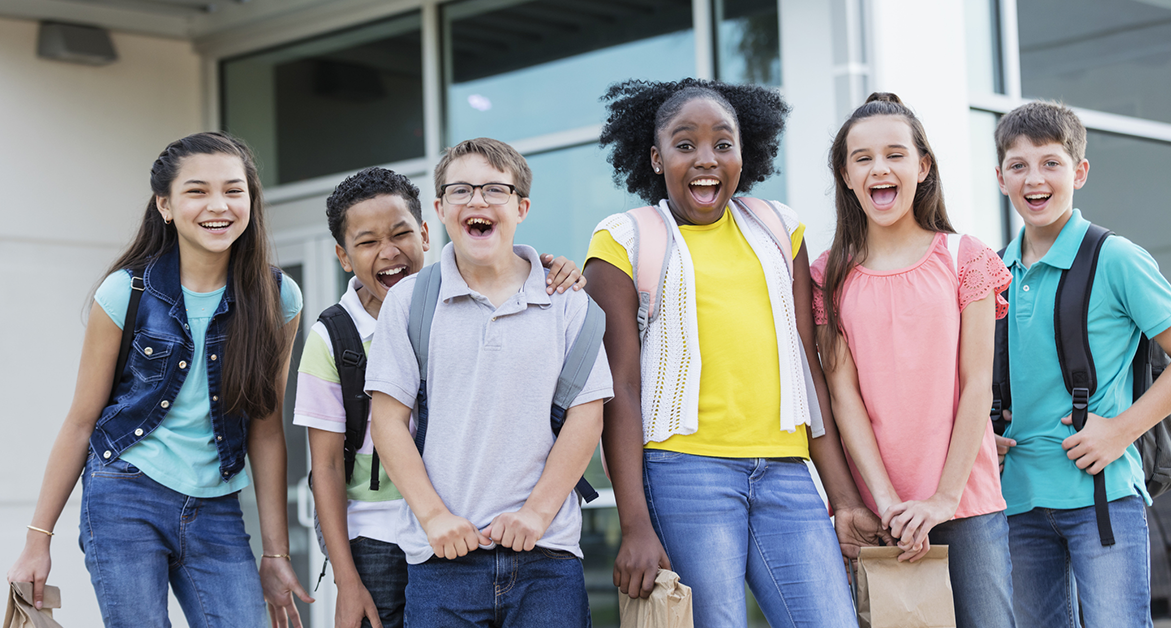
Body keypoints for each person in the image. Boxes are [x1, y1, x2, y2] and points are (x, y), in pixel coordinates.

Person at [585, 77, 884, 627]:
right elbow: (618, 389)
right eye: (684, 144)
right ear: (655, 157)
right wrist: (634, 523)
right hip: (683, 472)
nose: (706, 160)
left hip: (787, 473)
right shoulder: (624, 239)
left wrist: (843, 499)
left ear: (744, 154)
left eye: (723, 144)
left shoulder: (778, 228)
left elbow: (806, 366)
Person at [6, 132, 314, 628]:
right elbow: (82, 422)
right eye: (198, 191)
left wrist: (276, 555)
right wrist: (37, 540)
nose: (219, 205)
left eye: (234, 191)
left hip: (216, 505)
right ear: (165, 206)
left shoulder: (277, 297)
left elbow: (267, 428)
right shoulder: (126, 292)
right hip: (124, 493)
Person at [294, 166, 587, 628]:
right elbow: (326, 467)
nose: (389, 252)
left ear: (426, 233)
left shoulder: (448, 303)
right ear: (343, 256)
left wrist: (548, 269)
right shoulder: (334, 336)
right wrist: (346, 580)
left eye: (401, 234)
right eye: (368, 242)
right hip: (379, 535)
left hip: (464, 529)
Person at [365, 138, 612, 627]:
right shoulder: (411, 300)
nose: (477, 201)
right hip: (442, 563)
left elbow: (587, 416)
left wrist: (537, 515)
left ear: (520, 207)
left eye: (494, 190)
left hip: (548, 560)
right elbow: (388, 420)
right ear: (439, 209)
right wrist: (434, 517)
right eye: (460, 190)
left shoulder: (566, 301)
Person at [811, 92, 1015, 627]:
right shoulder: (827, 274)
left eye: (895, 154)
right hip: (883, 515)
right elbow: (843, 396)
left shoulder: (965, 257)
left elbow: (976, 386)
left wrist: (943, 499)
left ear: (923, 167)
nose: (880, 168)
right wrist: (885, 502)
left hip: (966, 504)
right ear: (845, 174)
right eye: (863, 158)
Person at [993, 101, 1171, 628]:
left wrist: (1120, 431)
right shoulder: (991, 271)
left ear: (1080, 172)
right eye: (1019, 165)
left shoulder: (1117, 259)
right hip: (1016, 503)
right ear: (1000, 178)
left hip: (1103, 498)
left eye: (1051, 162)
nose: (1035, 179)